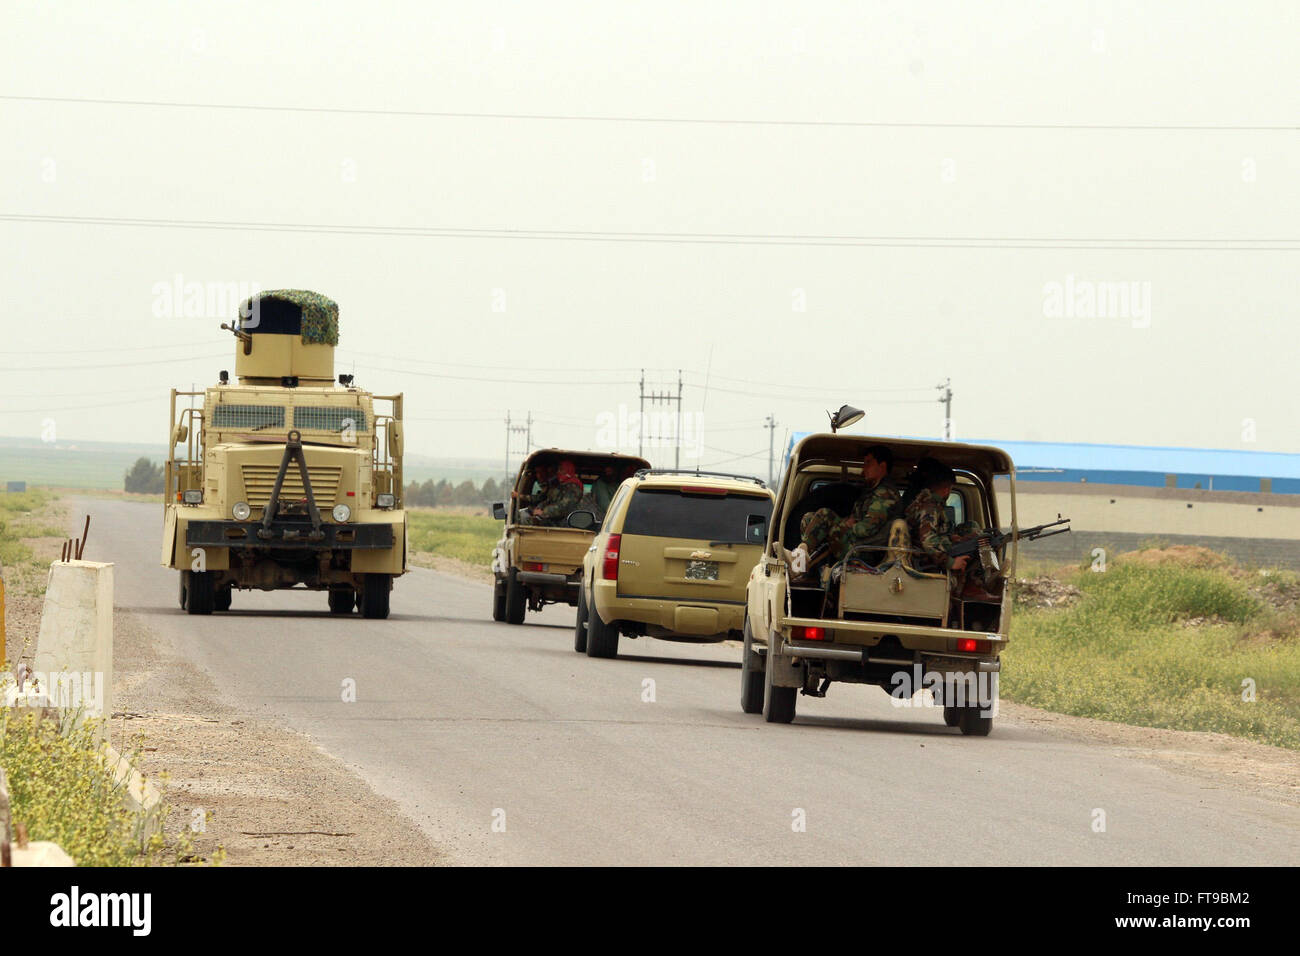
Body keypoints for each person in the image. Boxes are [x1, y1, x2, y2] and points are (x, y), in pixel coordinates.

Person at [795, 444, 899, 565]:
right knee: (809, 519)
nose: (864, 468)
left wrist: (847, 525)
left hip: (866, 551)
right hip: (857, 544)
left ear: (882, 467)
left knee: (825, 515)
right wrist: (846, 523)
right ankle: (802, 563)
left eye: (868, 463)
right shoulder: (870, 492)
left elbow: (866, 529)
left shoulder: (886, 494)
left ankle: (797, 561)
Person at [903, 460, 985, 586]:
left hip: (922, 554)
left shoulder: (925, 503)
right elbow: (928, 542)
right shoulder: (929, 507)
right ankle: (972, 587)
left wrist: (950, 538)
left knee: (972, 538)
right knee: (973, 549)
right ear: (947, 489)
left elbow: (928, 533)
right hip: (923, 558)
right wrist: (951, 563)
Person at [529, 459, 583, 526]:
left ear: (568, 470)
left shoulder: (574, 488)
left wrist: (543, 512)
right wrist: (540, 507)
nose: (558, 472)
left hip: (567, 524)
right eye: (558, 470)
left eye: (561, 470)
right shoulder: (562, 486)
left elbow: (564, 507)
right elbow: (550, 500)